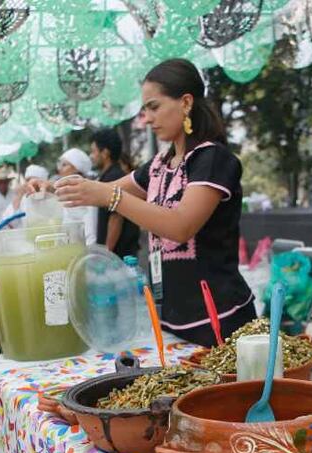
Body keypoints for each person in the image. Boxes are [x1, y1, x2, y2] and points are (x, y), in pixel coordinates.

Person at [50, 58, 256, 347]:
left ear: (185, 103)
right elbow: (101, 189)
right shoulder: (159, 165)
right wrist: (49, 188)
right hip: (171, 321)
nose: (146, 118)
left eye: (154, 107)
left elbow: (181, 225)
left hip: (220, 321)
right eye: (144, 109)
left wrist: (112, 197)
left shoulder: (212, 160)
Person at [90, 127, 141, 257]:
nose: (91, 156)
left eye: (93, 151)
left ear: (105, 153)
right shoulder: (109, 175)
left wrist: (106, 254)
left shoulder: (114, 177)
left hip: (118, 256)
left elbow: (116, 219)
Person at [57, 147, 98, 245]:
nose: (60, 169)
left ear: (76, 169)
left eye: (64, 165)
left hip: (81, 254)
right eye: (59, 164)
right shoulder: (65, 193)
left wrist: (86, 259)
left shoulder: (86, 194)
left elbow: (91, 235)